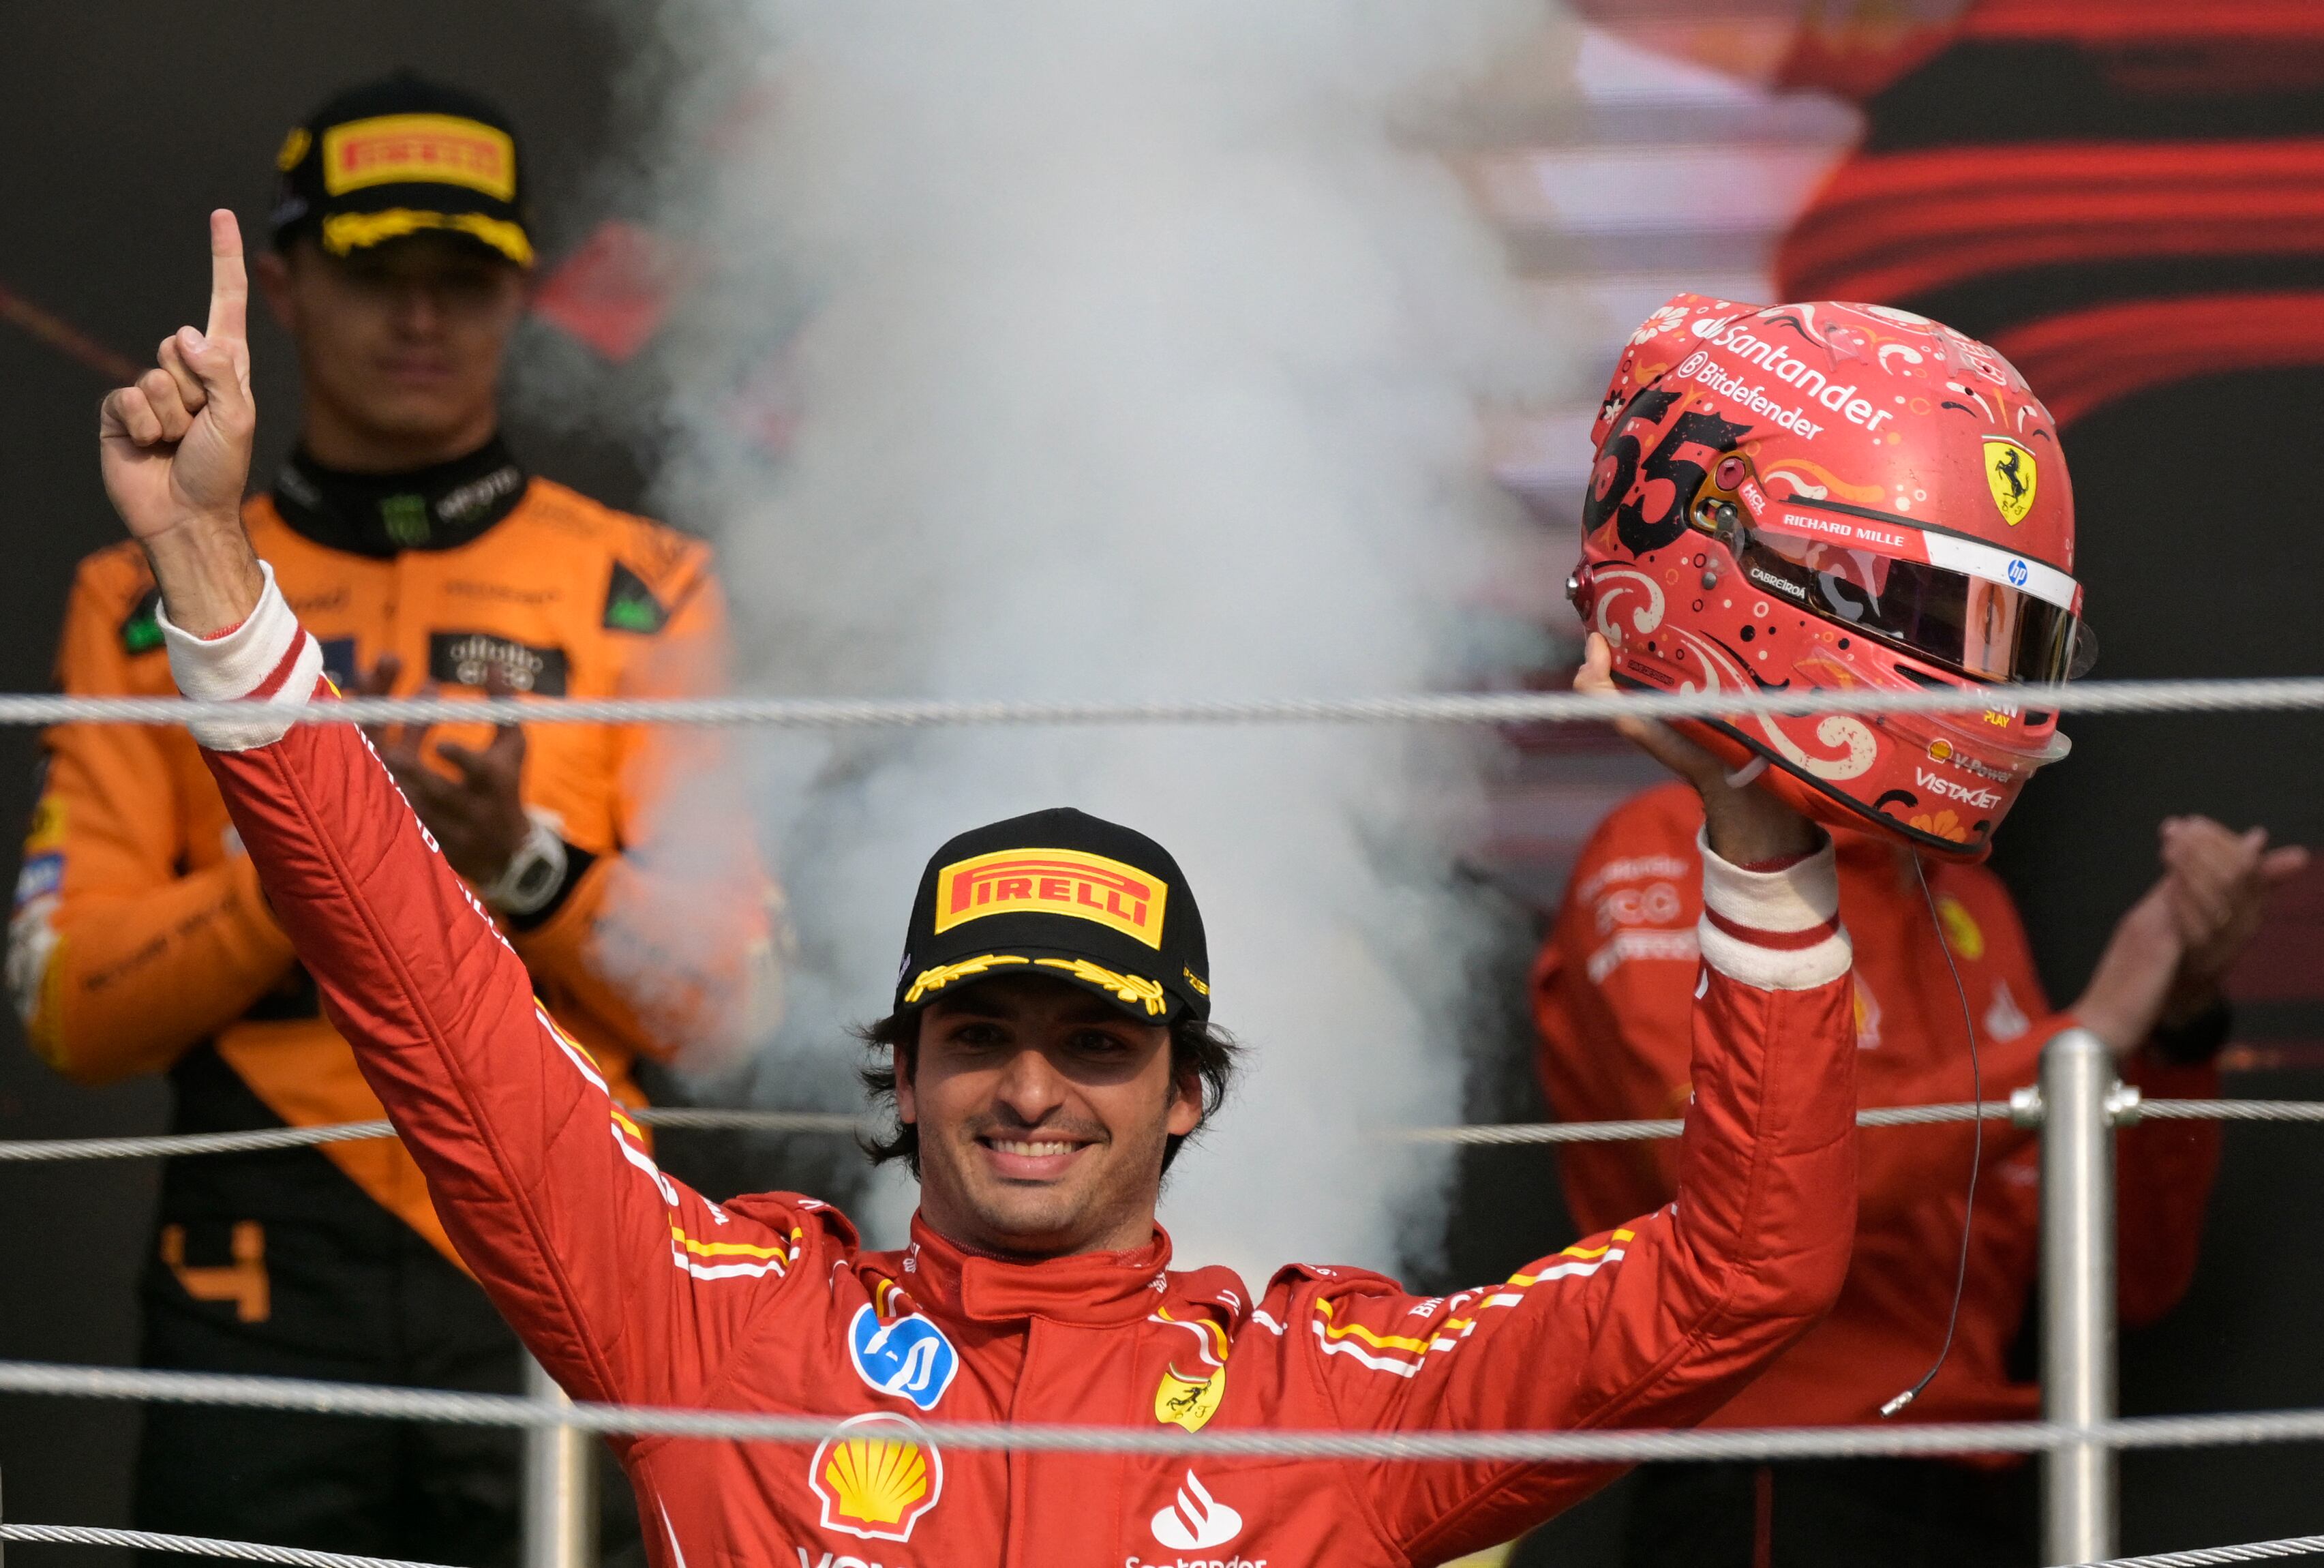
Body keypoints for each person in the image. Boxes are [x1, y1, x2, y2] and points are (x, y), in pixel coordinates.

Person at [92, 210, 1867, 1566]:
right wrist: (210, 570)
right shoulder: (724, 1325)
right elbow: (428, 997)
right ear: (905, 1069)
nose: (1028, 1087)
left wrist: (1759, 834)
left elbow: (1747, 1270)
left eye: (1093, 1042)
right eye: (980, 1034)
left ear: (1186, 1089)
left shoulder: (1331, 1397)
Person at [14, 78, 778, 1567]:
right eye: (377, 273)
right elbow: (67, 1006)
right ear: (288, 287)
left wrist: (524, 868)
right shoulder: (145, 589)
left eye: (465, 279)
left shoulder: (644, 588)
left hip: (567, 1233)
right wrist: (313, 849)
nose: (421, 318)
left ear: (522, 295)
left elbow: (729, 1004)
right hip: (262, 1250)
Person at [1537, 289, 2308, 1566]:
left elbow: (2127, 1279)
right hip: (1770, 1474)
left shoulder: (1964, 899)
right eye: (1933, 615)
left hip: (1981, 1489)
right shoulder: (1656, 853)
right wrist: (2078, 1039)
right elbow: (1727, 1191)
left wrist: (2167, 1032)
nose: (1976, 674)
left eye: (2004, 634)